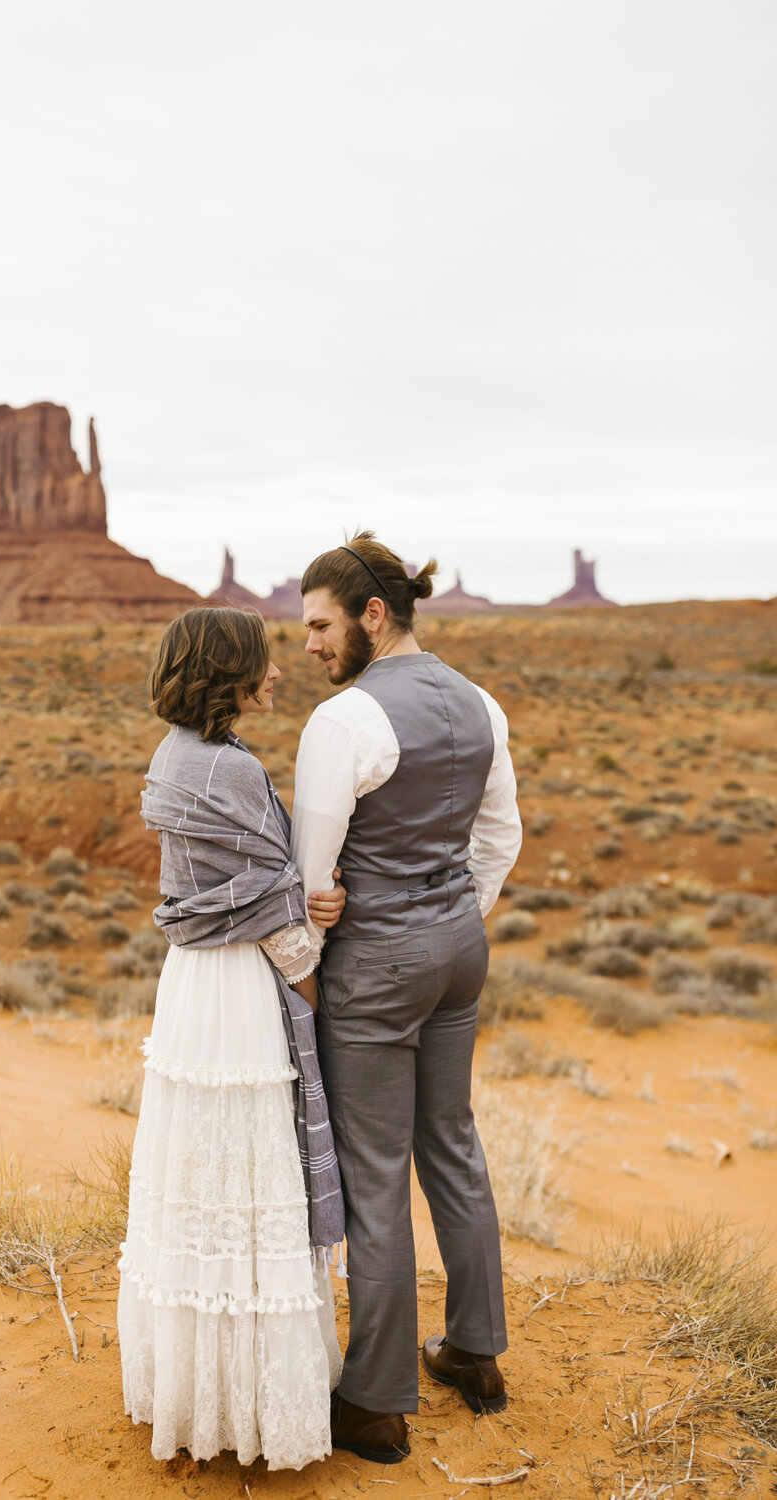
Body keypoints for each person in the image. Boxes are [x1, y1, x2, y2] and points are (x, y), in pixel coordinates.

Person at [290, 531, 523, 1465]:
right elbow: (499, 838)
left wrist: (309, 976)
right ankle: (473, 1353)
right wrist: (450, 918)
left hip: (379, 965)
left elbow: (312, 873)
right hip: (461, 948)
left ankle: (377, 1405)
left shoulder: (343, 722)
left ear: (371, 616)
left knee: (375, 1173)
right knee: (452, 1144)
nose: (306, 644)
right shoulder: (482, 703)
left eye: (317, 623)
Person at [118, 606, 346, 1471]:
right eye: (262, 660)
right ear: (227, 673)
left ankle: (196, 1394)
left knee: (202, 1175)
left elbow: (246, 883)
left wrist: (292, 897)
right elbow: (272, 915)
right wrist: (318, 989)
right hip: (242, 989)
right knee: (252, 1176)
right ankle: (256, 1415)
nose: (279, 671)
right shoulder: (229, 769)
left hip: (191, 987)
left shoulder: (175, 753)